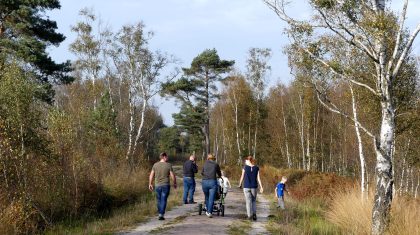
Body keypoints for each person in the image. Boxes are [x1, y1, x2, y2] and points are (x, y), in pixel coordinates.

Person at [148, 152, 177, 220]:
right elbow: (172, 175)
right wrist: (174, 183)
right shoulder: (168, 165)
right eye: (167, 157)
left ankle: (160, 213)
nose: (167, 158)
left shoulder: (155, 165)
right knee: (163, 199)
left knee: (158, 199)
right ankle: (161, 214)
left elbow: (151, 175)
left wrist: (150, 183)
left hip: (157, 185)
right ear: (164, 157)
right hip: (165, 185)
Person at [238, 156, 264, 221]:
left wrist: (240, 184)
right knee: (253, 201)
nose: (245, 162)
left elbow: (242, 176)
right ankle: (254, 214)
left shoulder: (245, 168)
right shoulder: (257, 168)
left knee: (248, 201)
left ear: (249, 160)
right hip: (254, 186)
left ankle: (249, 216)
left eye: (246, 161)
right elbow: (258, 178)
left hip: (246, 186)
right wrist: (261, 187)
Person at [201, 154, 222, 218]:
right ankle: (209, 212)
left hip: (204, 182)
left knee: (207, 197)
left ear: (208, 158)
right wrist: (219, 176)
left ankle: (207, 210)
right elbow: (219, 172)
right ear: (213, 159)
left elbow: (202, 173)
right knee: (211, 198)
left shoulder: (204, 164)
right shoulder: (216, 164)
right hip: (212, 182)